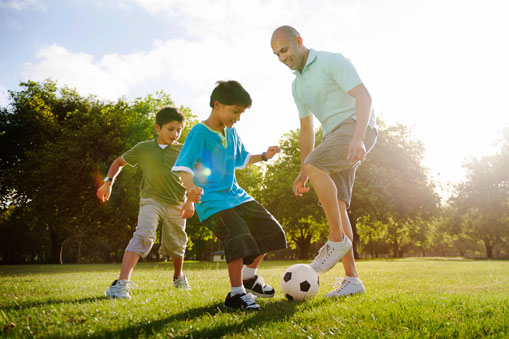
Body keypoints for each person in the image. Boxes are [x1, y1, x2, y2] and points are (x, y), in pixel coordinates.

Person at [271, 26, 377, 298]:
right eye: (277, 54)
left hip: (354, 128)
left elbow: (364, 96)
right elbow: (306, 130)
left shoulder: (331, 61)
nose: (283, 58)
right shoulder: (298, 85)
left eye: (284, 50)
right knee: (338, 205)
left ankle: (336, 240)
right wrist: (303, 170)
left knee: (317, 166)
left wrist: (358, 137)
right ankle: (352, 281)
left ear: (299, 41)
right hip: (334, 137)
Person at [172, 80, 287, 310]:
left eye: (241, 113)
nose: (238, 117)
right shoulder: (199, 132)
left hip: (236, 195)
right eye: (235, 111)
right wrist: (190, 188)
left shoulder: (232, 132)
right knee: (238, 234)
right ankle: (236, 294)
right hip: (212, 200)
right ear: (217, 105)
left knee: (271, 230)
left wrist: (264, 155)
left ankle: (249, 276)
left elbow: (241, 159)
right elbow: (184, 166)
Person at [96, 107, 194, 300]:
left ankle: (178, 276)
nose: (175, 134)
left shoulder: (184, 151)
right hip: (151, 199)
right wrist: (108, 182)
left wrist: (190, 201)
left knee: (176, 244)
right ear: (158, 128)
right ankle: (120, 284)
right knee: (143, 235)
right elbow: (118, 162)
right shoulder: (144, 148)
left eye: (179, 130)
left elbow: (193, 178)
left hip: (177, 203)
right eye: (170, 129)